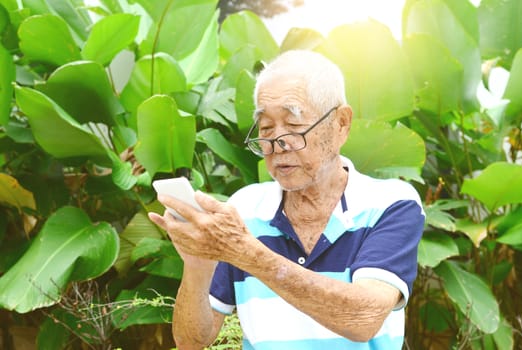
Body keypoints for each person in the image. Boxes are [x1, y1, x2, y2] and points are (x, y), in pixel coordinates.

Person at [148, 50, 425, 350]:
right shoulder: (243, 210)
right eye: (266, 129)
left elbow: (363, 318)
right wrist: (197, 267)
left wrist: (244, 251)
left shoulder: (391, 203)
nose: (277, 144)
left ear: (341, 124)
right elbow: (192, 341)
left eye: (293, 125)